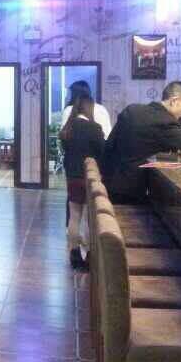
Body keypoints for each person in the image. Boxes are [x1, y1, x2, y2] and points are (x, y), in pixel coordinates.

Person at [59, 91, 105, 270]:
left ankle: (74, 253)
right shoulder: (95, 128)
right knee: (88, 218)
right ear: (89, 108)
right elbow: (102, 151)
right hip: (89, 176)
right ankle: (89, 256)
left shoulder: (67, 129)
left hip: (72, 176)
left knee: (74, 216)